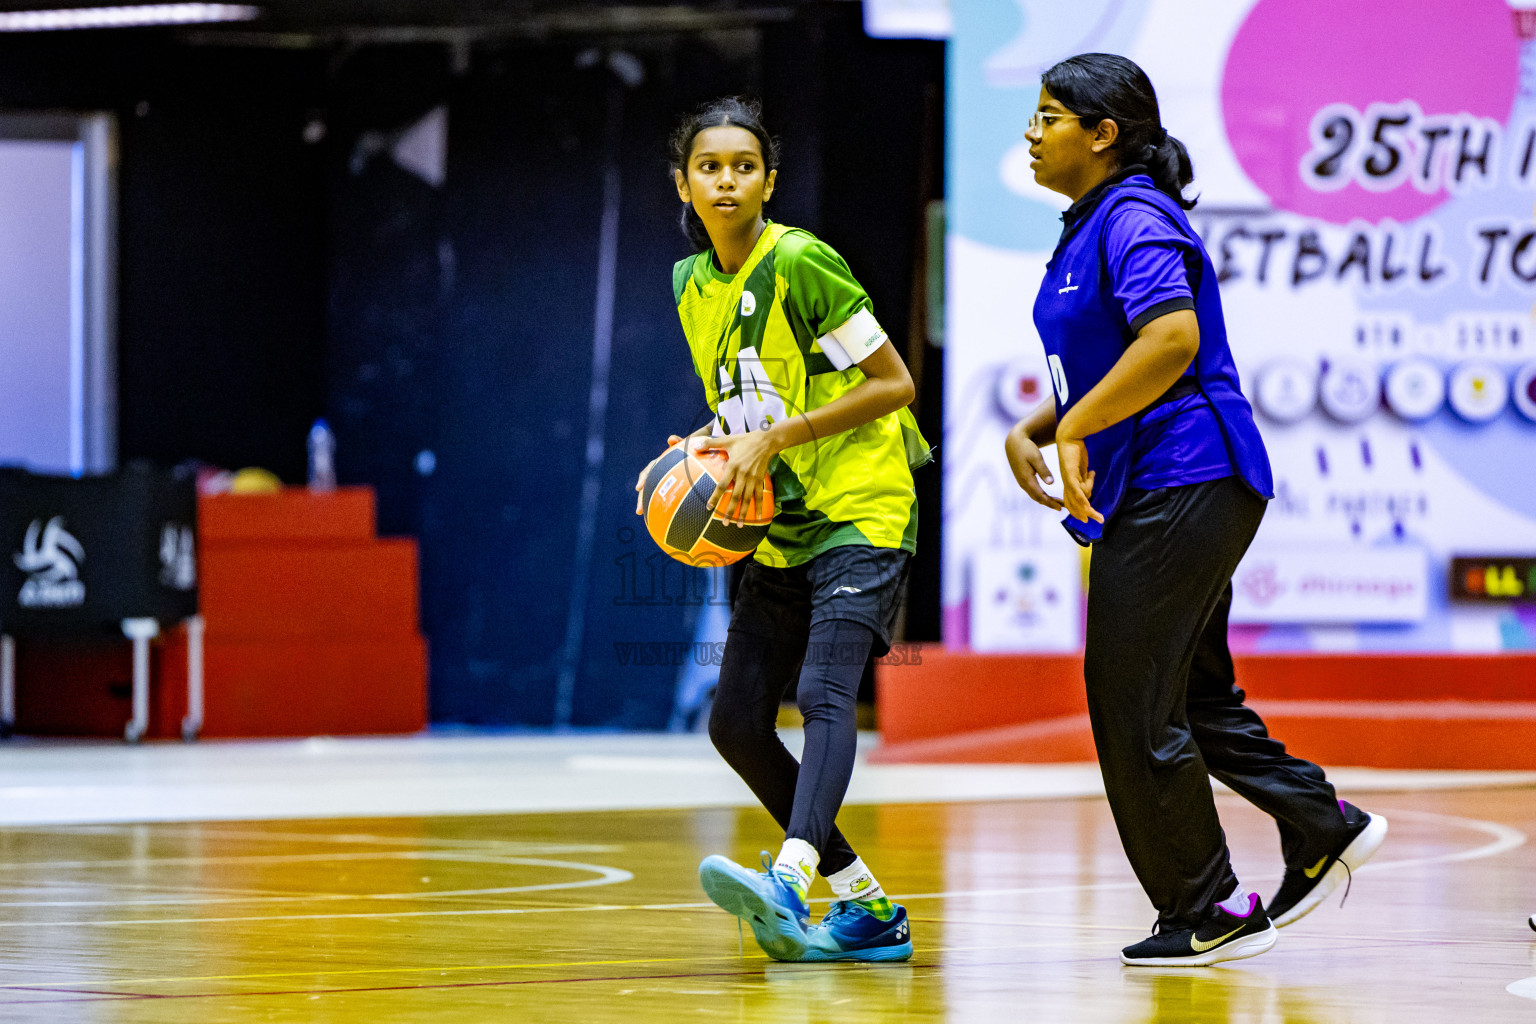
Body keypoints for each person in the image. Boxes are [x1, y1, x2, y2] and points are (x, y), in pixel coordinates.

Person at [1003, 53, 1388, 967]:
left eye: (1050, 115)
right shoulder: (1092, 221)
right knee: (1190, 696)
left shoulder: (1133, 215)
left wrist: (1077, 429)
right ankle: (1318, 823)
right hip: (1179, 482)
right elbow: (1111, 361)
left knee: (1131, 700)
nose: (1032, 130)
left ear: (1102, 134)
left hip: (1190, 475)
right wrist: (1037, 425)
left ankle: (1207, 907)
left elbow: (1172, 340)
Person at [636, 96, 929, 963]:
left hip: (861, 506)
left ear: (770, 180)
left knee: (827, 694)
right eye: (709, 167)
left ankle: (794, 877)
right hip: (782, 521)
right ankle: (866, 906)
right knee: (734, 722)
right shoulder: (693, 284)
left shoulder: (801, 262)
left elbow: (894, 382)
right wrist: (714, 445)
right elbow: (746, 398)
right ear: (683, 184)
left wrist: (777, 436)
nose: (726, 181)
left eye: (744, 166)